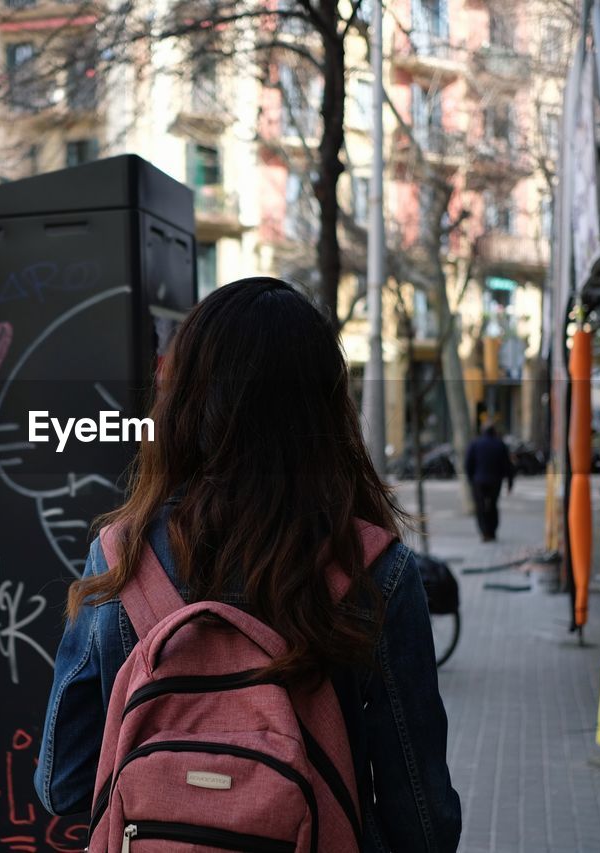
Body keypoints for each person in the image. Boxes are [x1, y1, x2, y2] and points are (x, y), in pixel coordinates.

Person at [34, 277, 461, 851]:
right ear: (328, 410)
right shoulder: (375, 572)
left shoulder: (121, 556)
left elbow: (62, 785)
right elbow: (424, 823)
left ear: (183, 401)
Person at [465, 423, 515, 542]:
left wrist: (470, 479)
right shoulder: (500, 444)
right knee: (493, 506)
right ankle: (492, 531)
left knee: (481, 508)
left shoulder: (475, 444)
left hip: (478, 481)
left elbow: (468, 464)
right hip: (495, 481)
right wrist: (510, 482)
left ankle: (484, 532)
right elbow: (507, 465)